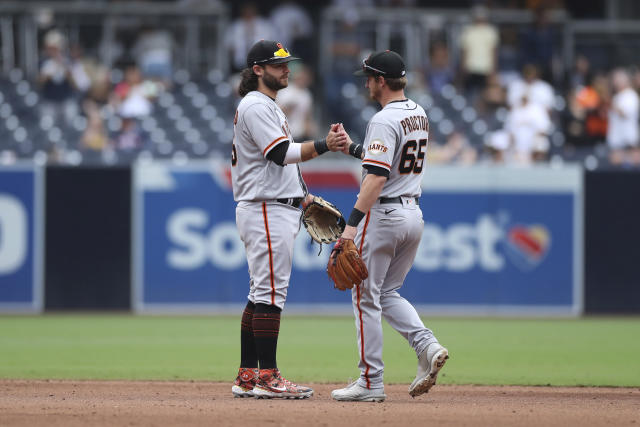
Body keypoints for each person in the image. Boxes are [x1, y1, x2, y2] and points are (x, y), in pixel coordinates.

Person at [230, 40, 347, 399]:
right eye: (277, 65)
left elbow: (275, 165)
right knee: (270, 294)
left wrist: (303, 196)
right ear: (257, 70)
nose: (286, 69)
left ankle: (249, 375)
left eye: (286, 63)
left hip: (272, 204)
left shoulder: (265, 105)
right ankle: (268, 377)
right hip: (265, 207)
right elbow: (280, 154)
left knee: (258, 294)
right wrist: (325, 145)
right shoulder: (256, 105)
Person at [330, 51, 448, 402]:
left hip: (382, 216)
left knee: (365, 297)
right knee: (386, 294)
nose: (365, 83)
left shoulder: (383, 119)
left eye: (368, 77)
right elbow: (388, 159)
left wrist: (351, 227)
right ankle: (427, 346)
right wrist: (352, 147)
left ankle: (370, 381)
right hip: (413, 214)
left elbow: (377, 176)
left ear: (381, 80)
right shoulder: (419, 113)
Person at [607, 68, 639, 165]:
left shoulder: (631, 95)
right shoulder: (617, 96)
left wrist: (612, 105)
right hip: (616, 142)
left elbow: (625, 114)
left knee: (629, 174)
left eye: (617, 80)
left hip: (627, 142)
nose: (615, 83)